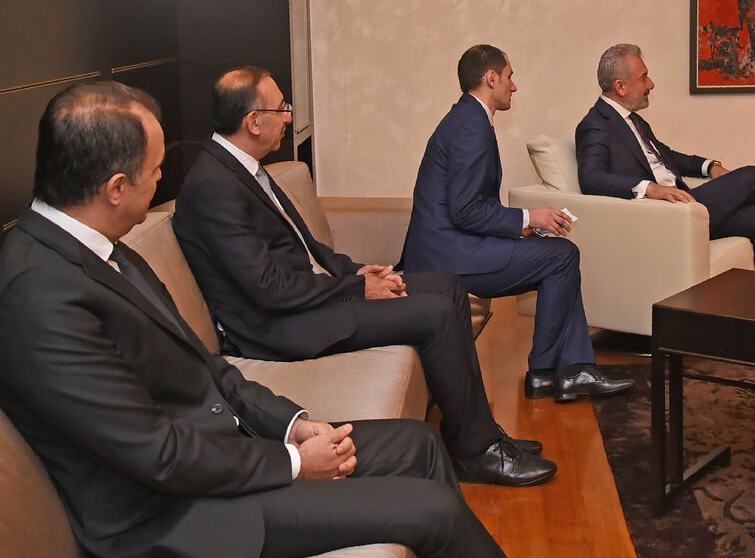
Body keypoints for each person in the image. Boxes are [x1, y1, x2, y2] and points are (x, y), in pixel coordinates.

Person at [0, 80, 506, 558]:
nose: (160, 180)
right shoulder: (39, 294)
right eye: (155, 170)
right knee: (434, 511)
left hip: (220, 456)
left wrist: (292, 426)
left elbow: (208, 368)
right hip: (175, 515)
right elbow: (157, 453)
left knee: (420, 442)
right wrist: (294, 463)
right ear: (115, 188)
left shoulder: (104, 247)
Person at [173, 67, 554, 487]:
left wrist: (357, 271)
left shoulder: (246, 169)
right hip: (279, 325)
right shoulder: (214, 186)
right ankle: (477, 452)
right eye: (281, 109)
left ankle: (471, 429)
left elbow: (305, 248)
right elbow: (268, 288)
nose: (288, 117)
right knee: (436, 314)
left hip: (309, 300)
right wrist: (357, 289)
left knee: (447, 285)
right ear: (253, 121)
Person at [574, 43, 755, 355]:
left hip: (685, 211)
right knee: (752, 176)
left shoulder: (634, 121)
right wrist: (650, 188)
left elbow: (667, 156)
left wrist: (708, 166)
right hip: (663, 219)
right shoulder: (595, 125)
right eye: (644, 77)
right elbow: (591, 178)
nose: (651, 84)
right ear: (620, 86)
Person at [403, 45, 634, 404]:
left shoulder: (467, 118)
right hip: (447, 257)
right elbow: (465, 211)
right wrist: (528, 217)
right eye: (509, 76)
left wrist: (523, 227)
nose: (514, 86)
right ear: (490, 78)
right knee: (561, 257)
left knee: (559, 256)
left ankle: (566, 372)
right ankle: (551, 371)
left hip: (451, 246)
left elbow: (470, 205)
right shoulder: (470, 125)